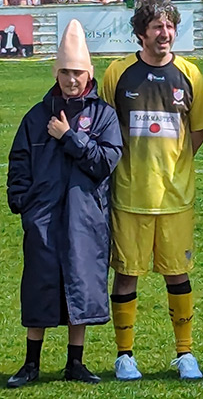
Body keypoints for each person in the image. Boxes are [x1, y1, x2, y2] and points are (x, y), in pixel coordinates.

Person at [100, 0, 203, 382]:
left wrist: (175, 164)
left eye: (169, 27)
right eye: (156, 27)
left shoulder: (190, 73)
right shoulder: (118, 73)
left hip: (175, 196)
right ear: (141, 33)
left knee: (177, 274)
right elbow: (104, 128)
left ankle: (185, 354)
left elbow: (197, 131)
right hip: (130, 194)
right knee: (127, 275)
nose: (164, 34)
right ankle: (124, 355)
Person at [6, 19, 122, 389]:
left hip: (84, 216)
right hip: (42, 216)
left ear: (89, 74)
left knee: (81, 283)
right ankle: (31, 363)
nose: (72, 80)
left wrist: (70, 137)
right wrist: (23, 204)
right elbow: (19, 163)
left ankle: (76, 361)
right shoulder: (36, 117)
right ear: (57, 74)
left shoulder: (103, 115)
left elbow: (105, 162)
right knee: (39, 284)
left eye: (78, 73)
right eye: (66, 73)